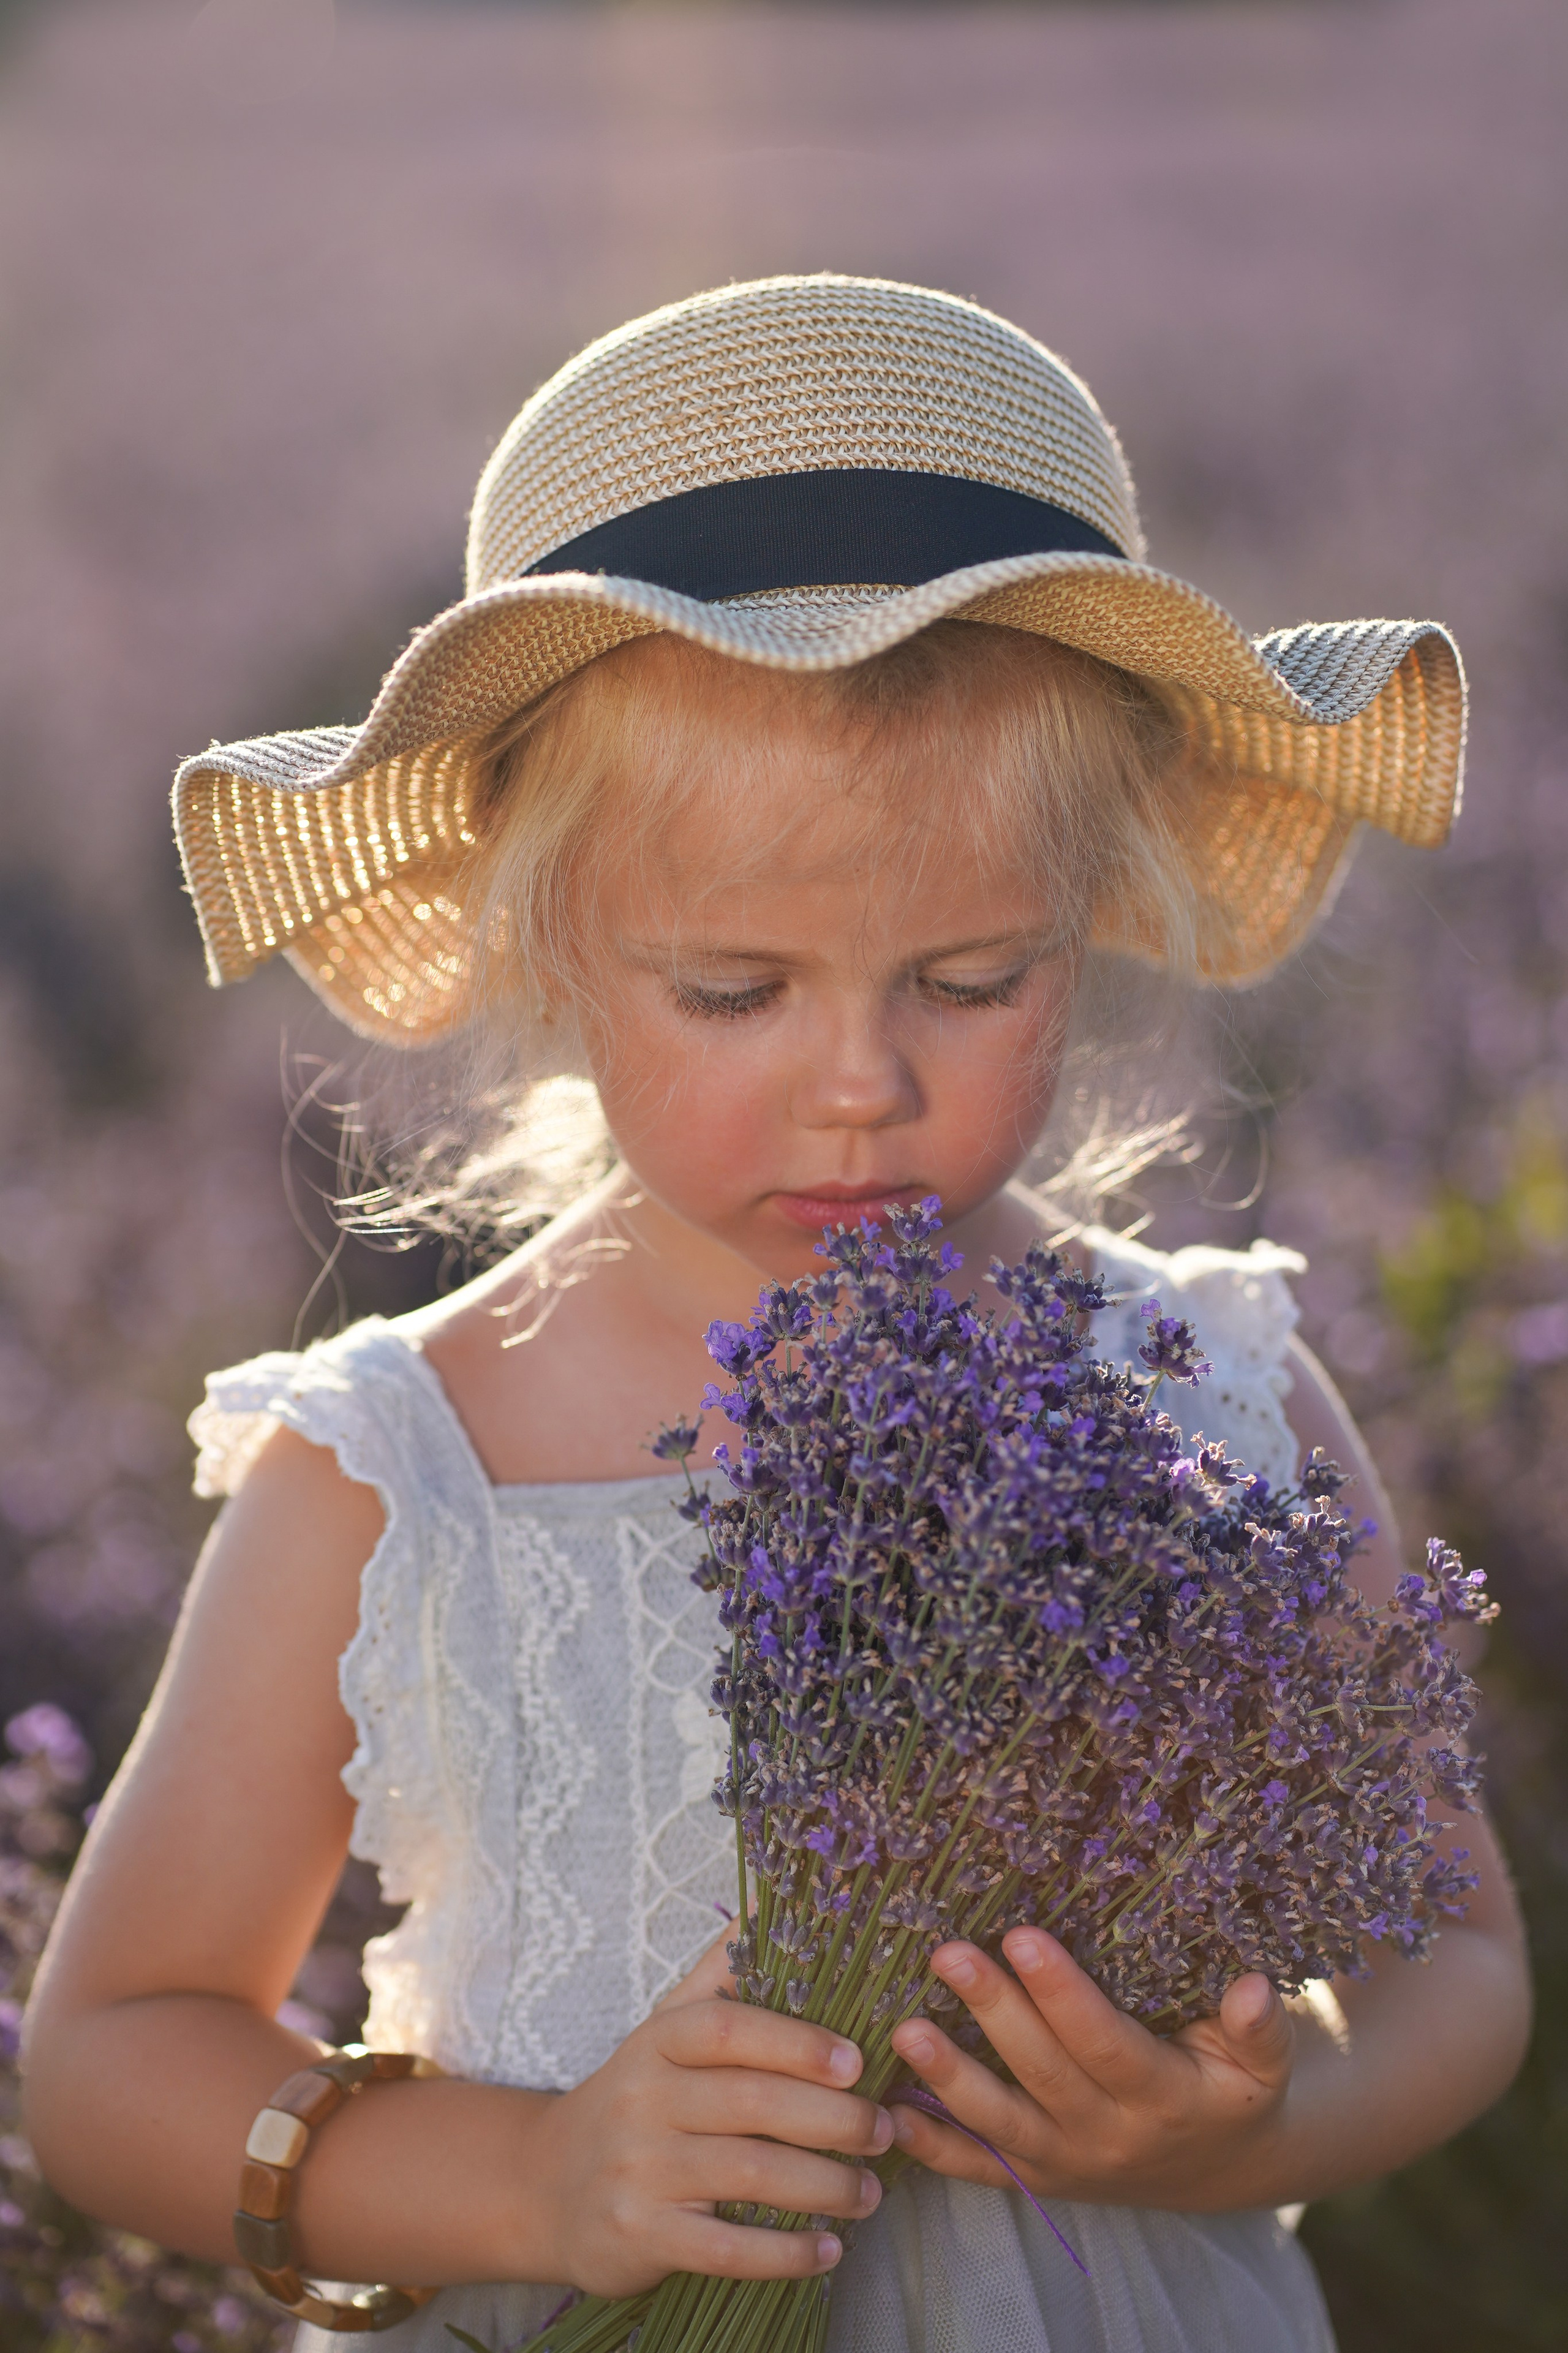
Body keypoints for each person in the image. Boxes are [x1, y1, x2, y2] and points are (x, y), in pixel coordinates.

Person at [21, 276, 1529, 2353]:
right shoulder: (406, 1463)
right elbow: (114, 2050)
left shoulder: (1211, 1400)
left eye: (973, 978)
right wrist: (533, 2177)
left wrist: (1242, 2128)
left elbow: (1459, 1962)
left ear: (1095, 920)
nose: (861, 1082)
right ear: (547, 941)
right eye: (736, 991)